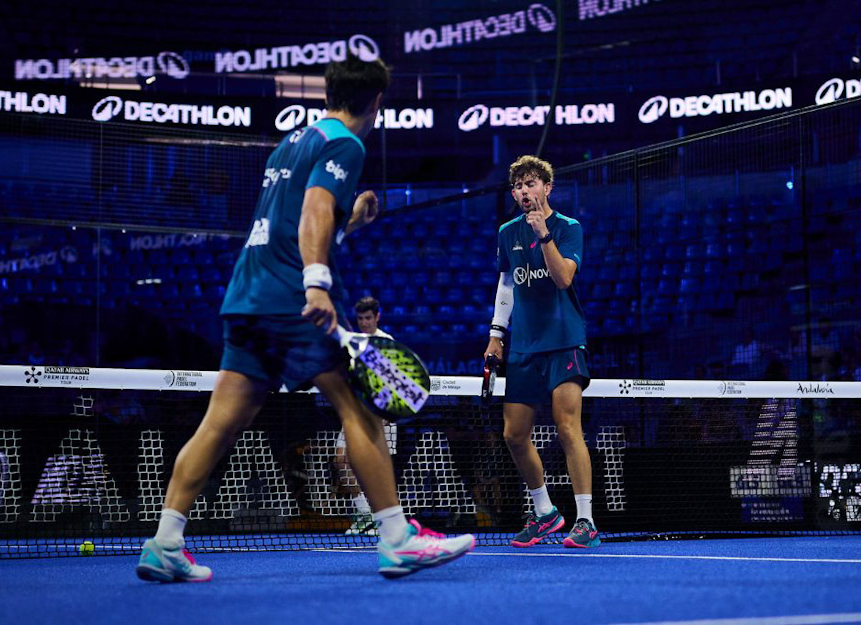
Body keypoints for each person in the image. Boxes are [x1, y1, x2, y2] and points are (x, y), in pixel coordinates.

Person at [136, 56, 474, 583]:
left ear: (327, 92)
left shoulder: (292, 140)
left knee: (220, 423)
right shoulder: (346, 142)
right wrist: (317, 281)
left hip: (247, 295)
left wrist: (350, 222)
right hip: (291, 299)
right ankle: (397, 538)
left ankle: (164, 542)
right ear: (378, 103)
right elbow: (315, 207)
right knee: (359, 409)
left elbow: (297, 219)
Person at [483, 155, 599, 549]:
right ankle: (546, 511)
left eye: (531, 184)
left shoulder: (569, 228)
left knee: (568, 428)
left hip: (565, 340)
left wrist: (543, 233)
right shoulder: (506, 233)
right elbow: (507, 284)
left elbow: (564, 277)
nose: (523, 192)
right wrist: (496, 334)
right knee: (514, 434)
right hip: (524, 347)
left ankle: (585, 520)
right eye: (518, 186)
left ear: (547, 188)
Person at [333, 296, 397, 535]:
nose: (364, 322)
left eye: (368, 318)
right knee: (341, 460)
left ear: (377, 317)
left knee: (378, 468)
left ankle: (383, 520)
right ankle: (364, 514)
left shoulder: (385, 342)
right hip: (354, 412)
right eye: (360, 318)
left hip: (380, 414)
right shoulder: (352, 342)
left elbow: (393, 382)